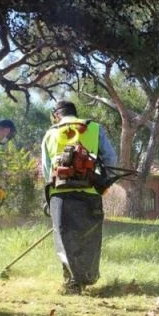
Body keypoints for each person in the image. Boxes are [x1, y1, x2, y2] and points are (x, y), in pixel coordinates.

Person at [41, 100, 117, 295]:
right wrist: (105, 183)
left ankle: (72, 282)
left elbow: (46, 169)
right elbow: (110, 159)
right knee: (89, 236)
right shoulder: (93, 128)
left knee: (64, 237)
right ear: (75, 113)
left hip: (60, 193)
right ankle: (87, 278)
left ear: (57, 115)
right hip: (90, 191)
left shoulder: (50, 133)